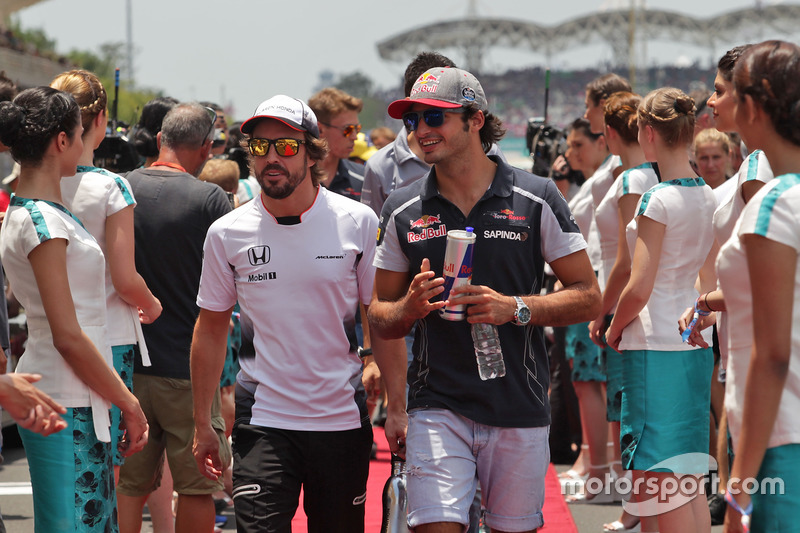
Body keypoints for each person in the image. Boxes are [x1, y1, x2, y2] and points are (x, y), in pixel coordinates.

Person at [369, 66, 600, 532]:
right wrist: (408, 309)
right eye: (413, 120)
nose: (421, 131)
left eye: (435, 117)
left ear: (475, 119)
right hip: (437, 405)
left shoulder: (535, 197)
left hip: (518, 403)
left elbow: (589, 296)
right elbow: (379, 315)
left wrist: (516, 308)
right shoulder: (402, 208)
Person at [190, 94, 379, 533]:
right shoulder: (227, 233)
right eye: (260, 147)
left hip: (341, 421)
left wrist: (395, 400)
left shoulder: (358, 222)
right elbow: (212, 327)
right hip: (263, 422)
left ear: (313, 153)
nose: (272, 157)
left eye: (287, 146)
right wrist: (205, 424)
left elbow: (377, 314)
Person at [0, 86, 149, 532]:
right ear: (62, 141)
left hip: (75, 392)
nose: (85, 143)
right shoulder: (43, 222)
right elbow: (67, 333)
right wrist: (129, 401)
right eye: (80, 133)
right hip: (65, 397)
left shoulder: (35, 213)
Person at [116, 103, 232, 533]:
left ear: (161, 137)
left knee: (130, 484)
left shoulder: (123, 187)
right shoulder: (210, 200)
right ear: (206, 148)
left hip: (130, 365)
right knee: (199, 486)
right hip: (190, 368)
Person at [605, 87, 717, 533]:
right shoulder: (707, 195)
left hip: (654, 344)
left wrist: (613, 327)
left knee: (660, 476)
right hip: (694, 340)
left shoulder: (657, 199)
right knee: (685, 478)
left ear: (648, 133)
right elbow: (708, 281)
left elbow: (639, 285)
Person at [51, 68, 163, 472]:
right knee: (101, 469)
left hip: (51, 336)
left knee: (64, 467)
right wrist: (151, 304)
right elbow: (125, 278)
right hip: (108, 338)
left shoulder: (32, 187)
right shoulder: (111, 187)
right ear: (99, 119)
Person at [715, 40, 800, 533]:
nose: (716, 102)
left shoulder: (776, 203)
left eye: (729, 91)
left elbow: (772, 355)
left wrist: (739, 493)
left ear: (753, 105)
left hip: (781, 442)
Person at [308, 87, 365, 200]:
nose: (355, 137)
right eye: (348, 129)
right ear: (320, 130)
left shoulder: (364, 179)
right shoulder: (294, 179)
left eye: (357, 129)